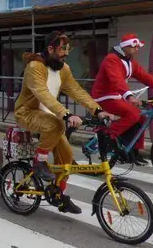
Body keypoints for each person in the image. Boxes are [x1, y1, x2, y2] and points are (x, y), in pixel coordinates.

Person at [14, 31, 110, 215]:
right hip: (27, 113)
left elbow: (76, 90)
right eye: (62, 49)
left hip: (50, 116)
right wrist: (65, 114)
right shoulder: (35, 66)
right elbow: (42, 93)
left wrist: (97, 110)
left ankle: (57, 194)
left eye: (68, 49)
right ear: (50, 48)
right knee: (57, 124)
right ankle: (39, 162)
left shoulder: (63, 69)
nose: (66, 53)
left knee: (66, 158)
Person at [91, 34, 153, 165]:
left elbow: (146, 77)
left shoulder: (130, 62)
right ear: (126, 47)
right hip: (104, 96)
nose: (137, 49)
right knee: (133, 114)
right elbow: (116, 80)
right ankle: (107, 137)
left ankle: (133, 152)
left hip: (118, 95)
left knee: (141, 117)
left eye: (138, 47)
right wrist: (129, 96)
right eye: (135, 46)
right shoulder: (111, 59)